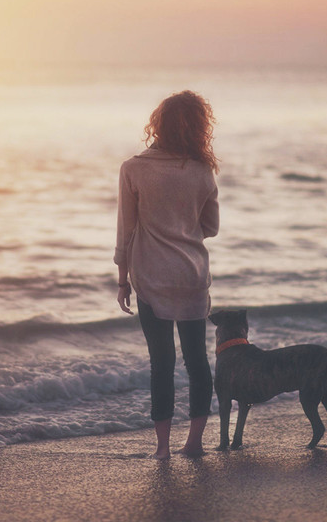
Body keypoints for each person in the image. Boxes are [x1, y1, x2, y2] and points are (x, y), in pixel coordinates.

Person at [114, 90, 219, 459]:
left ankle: (162, 448)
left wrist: (123, 279)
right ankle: (194, 443)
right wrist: (183, 230)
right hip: (191, 276)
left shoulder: (134, 168)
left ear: (157, 124)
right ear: (199, 128)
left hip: (151, 278)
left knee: (162, 362)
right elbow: (211, 226)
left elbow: (126, 231)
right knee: (197, 361)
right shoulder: (203, 170)